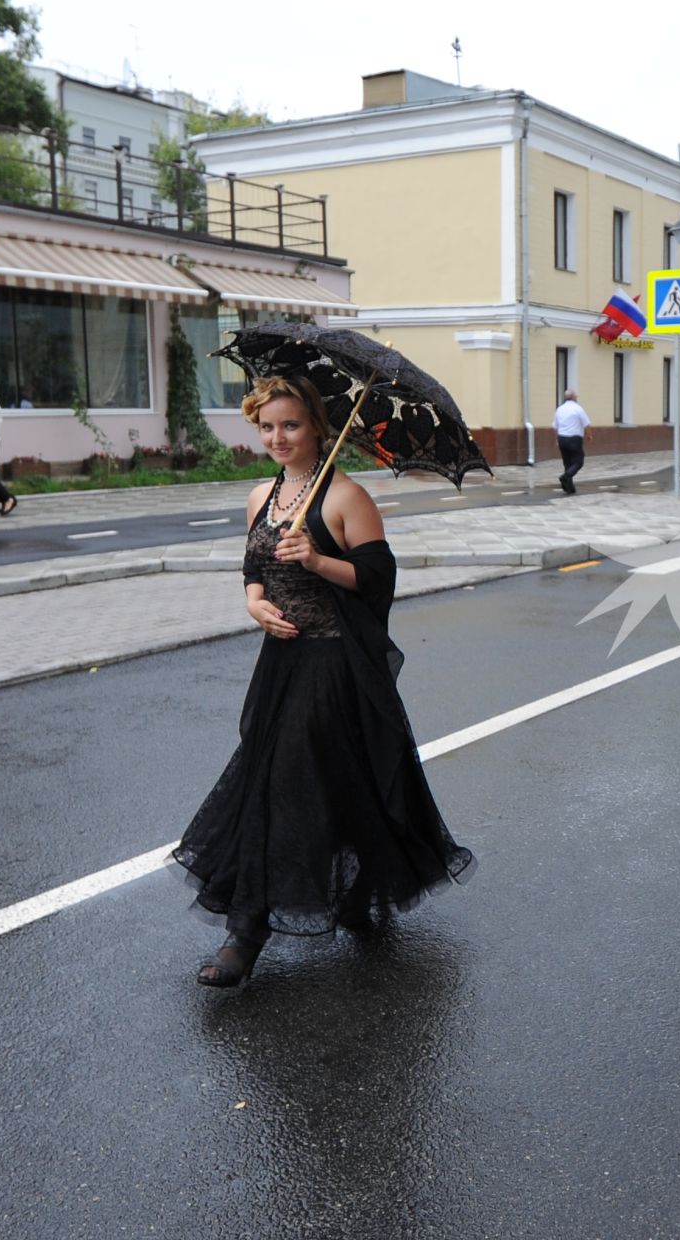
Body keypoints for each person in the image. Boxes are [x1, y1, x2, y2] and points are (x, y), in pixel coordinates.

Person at [174, 375, 472, 987]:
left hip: (335, 666)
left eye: (291, 425)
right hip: (280, 664)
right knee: (333, 782)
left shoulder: (346, 497)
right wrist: (255, 604)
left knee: (282, 785)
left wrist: (316, 559)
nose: (279, 437)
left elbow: (377, 580)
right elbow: (254, 568)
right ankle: (361, 889)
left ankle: (246, 933)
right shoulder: (262, 496)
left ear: (317, 428)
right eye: (267, 427)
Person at [554, 386, 590, 495]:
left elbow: (556, 426)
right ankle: (565, 477)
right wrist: (590, 435)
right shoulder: (578, 408)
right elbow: (586, 424)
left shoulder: (560, 409)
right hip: (574, 439)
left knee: (567, 463)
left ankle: (569, 487)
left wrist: (557, 439)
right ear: (574, 397)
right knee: (579, 461)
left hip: (562, 438)